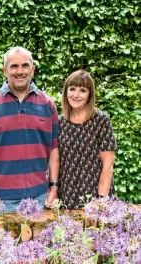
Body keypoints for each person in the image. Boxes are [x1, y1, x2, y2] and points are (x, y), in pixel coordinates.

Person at [0, 46, 60, 217]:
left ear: (33, 69)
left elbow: (54, 149)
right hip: (2, 200)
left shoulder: (47, 105)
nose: (20, 71)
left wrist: (53, 187)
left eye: (25, 66)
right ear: (4, 71)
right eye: (14, 66)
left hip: (40, 197)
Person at [58, 70, 117, 209]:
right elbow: (55, 161)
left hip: (95, 196)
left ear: (89, 94)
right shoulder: (59, 122)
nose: (76, 95)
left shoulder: (100, 120)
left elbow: (108, 164)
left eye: (82, 90)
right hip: (66, 195)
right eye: (72, 89)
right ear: (66, 92)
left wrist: (101, 200)